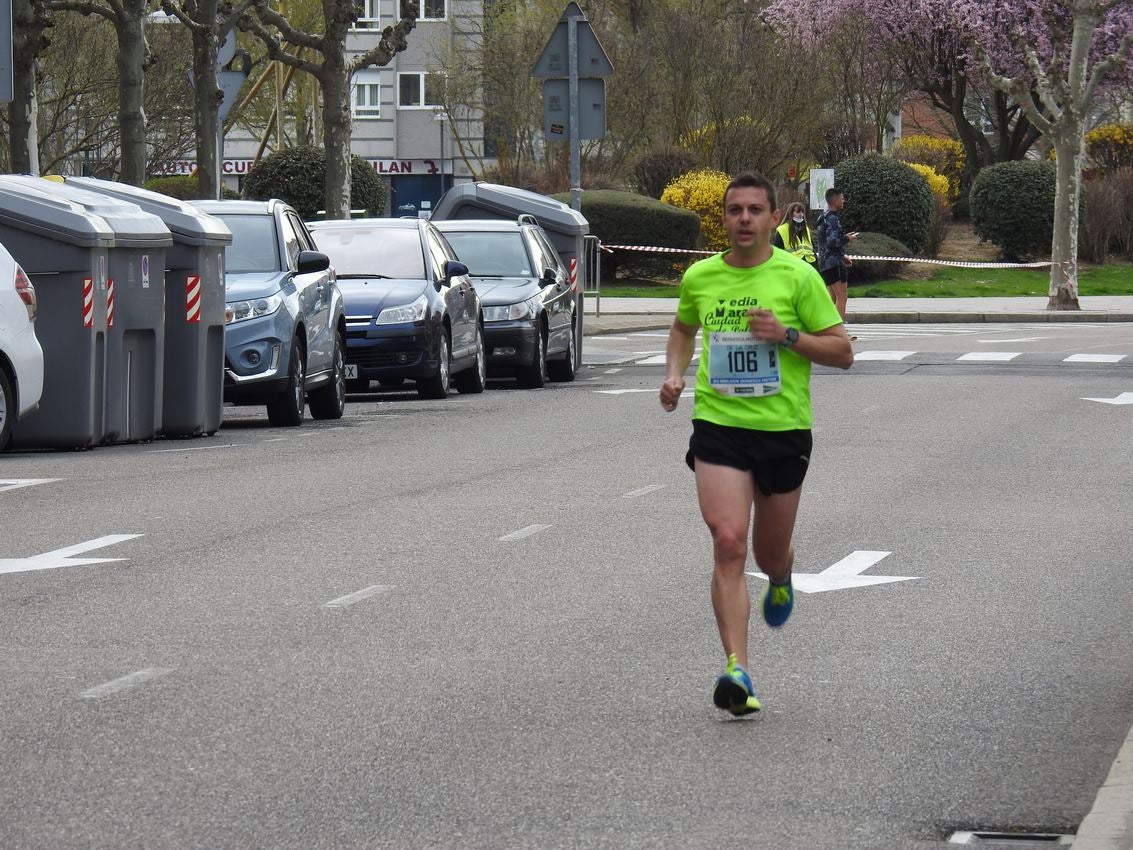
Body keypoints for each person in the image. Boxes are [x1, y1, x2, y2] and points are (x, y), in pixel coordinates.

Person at [659, 172, 853, 717]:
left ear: (772, 218)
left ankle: (783, 572)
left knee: (767, 554)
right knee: (727, 542)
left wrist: (786, 336)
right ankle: (737, 669)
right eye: (734, 210)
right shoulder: (701, 277)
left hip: (783, 431)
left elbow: (843, 353)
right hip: (719, 426)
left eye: (754, 210)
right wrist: (674, 375)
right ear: (724, 218)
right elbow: (682, 329)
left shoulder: (797, 278)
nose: (744, 219)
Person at [815, 187, 856, 321]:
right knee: (842, 297)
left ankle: (825, 328)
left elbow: (825, 243)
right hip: (833, 263)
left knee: (831, 298)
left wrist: (842, 256)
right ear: (835, 200)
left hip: (825, 262)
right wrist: (846, 239)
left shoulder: (823, 217)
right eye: (842, 198)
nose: (843, 200)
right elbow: (833, 241)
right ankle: (839, 332)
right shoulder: (832, 218)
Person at [771, 202, 818, 272]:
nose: (801, 215)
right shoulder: (782, 230)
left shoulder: (806, 229)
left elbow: (812, 249)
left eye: (802, 212)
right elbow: (777, 253)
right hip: (792, 268)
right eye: (798, 212)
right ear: (791, 214)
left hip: (810, 266)